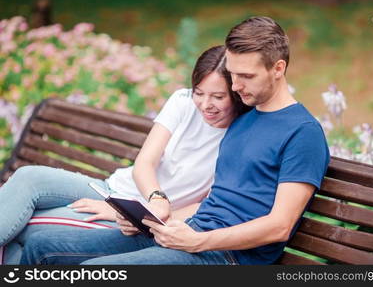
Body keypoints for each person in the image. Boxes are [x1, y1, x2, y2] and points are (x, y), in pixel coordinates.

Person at [21, 16, 330, 265]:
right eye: (233, 75)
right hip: (186, 231)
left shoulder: (302, 133)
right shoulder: (244, 118)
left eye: (246, 77)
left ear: (279, 69)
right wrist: (149, 219)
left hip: (227, 255)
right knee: (43, 245)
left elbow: (279, 225)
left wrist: (200, 241)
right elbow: (212, 200)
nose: (236, 86)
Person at [0, 45, 250, 264]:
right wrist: (154, 197)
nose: (205, 104)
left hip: (135, 221)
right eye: (199, 92)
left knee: (26, 229)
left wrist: (135, 214)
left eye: (218, 97)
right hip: (113, 188)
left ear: (237, 94)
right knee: (27, 178)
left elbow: (205, 204)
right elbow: (145, 162)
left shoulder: (240, 136)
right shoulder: (182, 101)